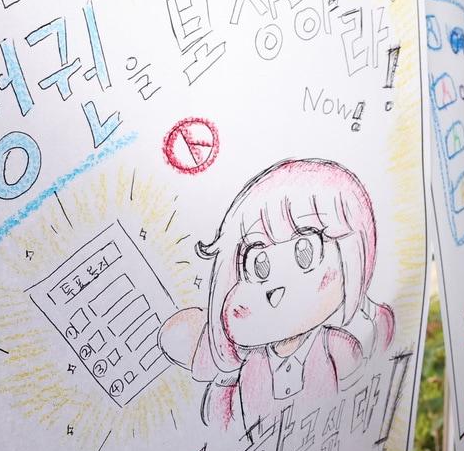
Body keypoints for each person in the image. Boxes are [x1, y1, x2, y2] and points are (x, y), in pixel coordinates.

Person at [161, 158, 395, 433]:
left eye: (304, 254)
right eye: (257, 265)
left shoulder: (337, 350)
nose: (276, 290)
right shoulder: (245, 375)